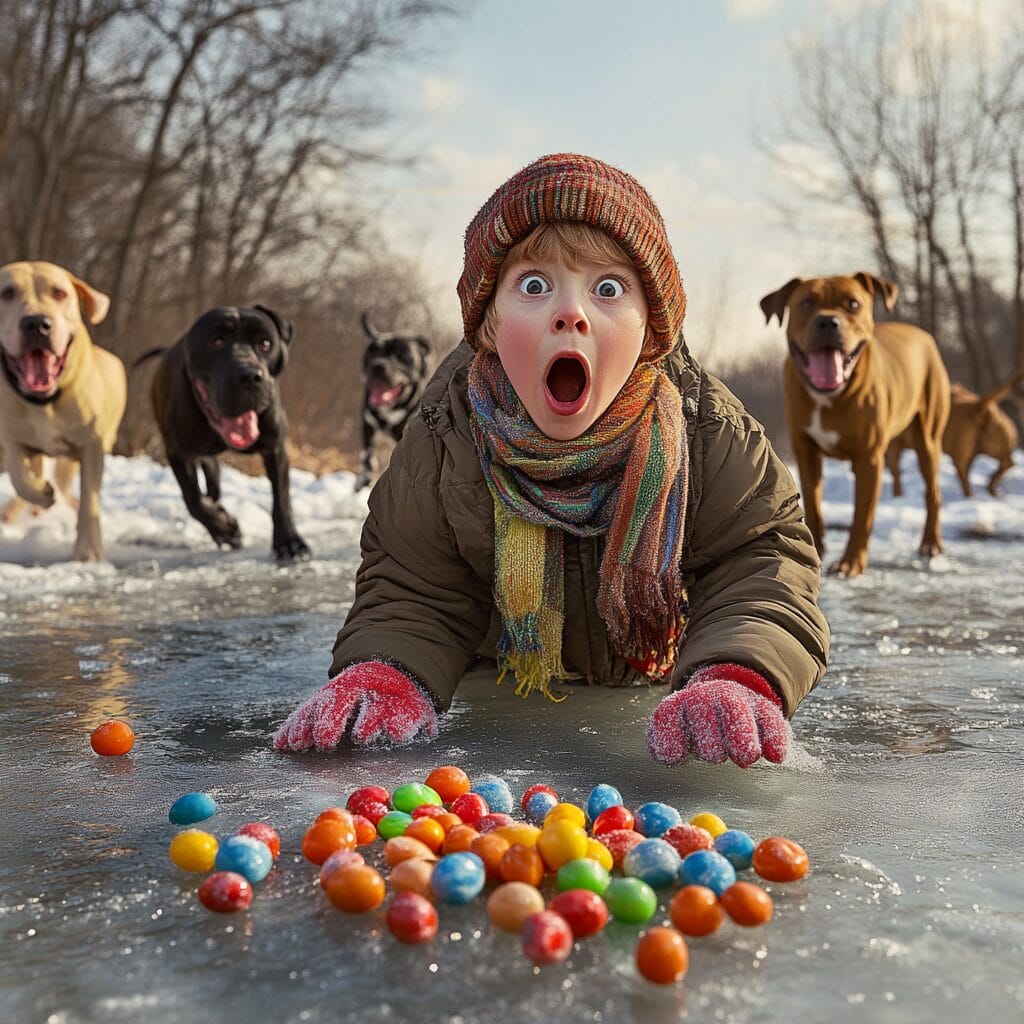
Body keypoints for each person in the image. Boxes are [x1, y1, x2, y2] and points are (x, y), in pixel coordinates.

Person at [275, 153, 829, 767]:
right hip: (503, 691)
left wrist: (737, 673)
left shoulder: (707, 428)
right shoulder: (444, 435)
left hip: (659, 694)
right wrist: (388, 674)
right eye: (534, 286)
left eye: (608, 289)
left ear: (651, 329)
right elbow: (415, 584)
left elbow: (760, 559)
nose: (572, 313)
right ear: (487, 324)